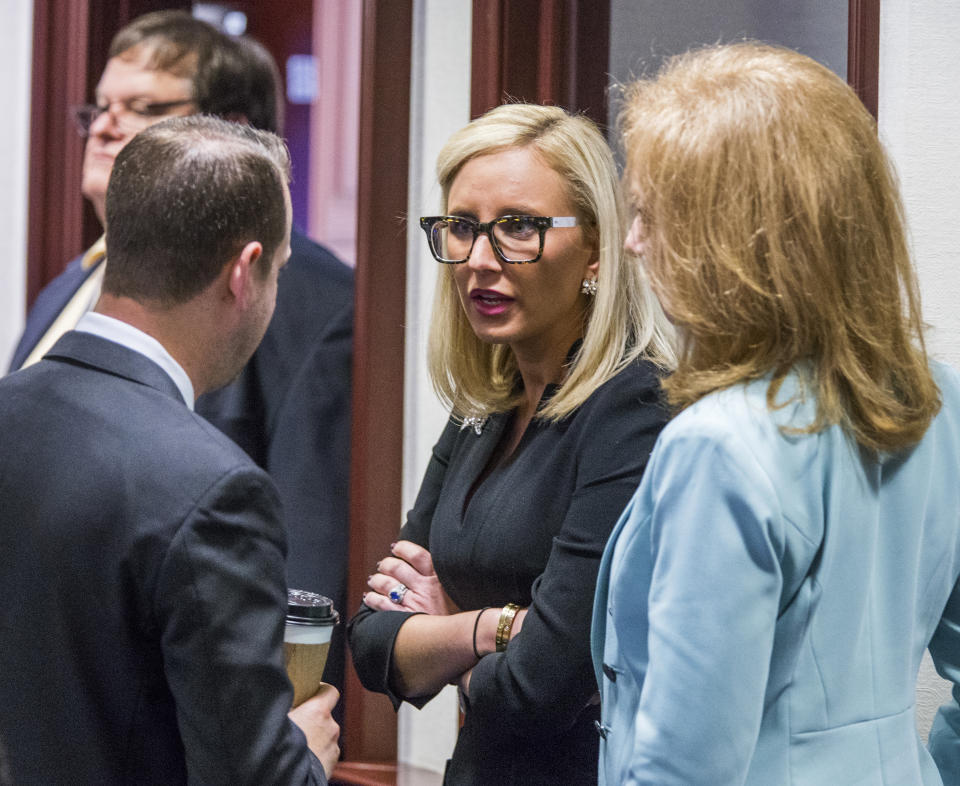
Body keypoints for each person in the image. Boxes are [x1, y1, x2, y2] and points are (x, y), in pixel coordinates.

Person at [591, 42, 960, 785]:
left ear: (731, 236)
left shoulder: (720, 447)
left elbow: (683, 769)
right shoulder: (937, 402)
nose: (631, 242)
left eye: (649, 214)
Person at [8, 10, 354, 693]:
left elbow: (305, 563)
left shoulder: (304, 295)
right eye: (99, 108)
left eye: (143, 107)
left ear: (225, 132)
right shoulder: (67, 286)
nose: (105, 126)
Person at [348, 103, 675, 784]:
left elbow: (545, 682)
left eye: (519, 228)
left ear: (594, 248)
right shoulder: (486, 409)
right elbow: (372, 642)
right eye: (462, 228)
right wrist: (493, 629)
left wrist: (442, 630)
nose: (480, 260)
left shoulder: (634, 407)